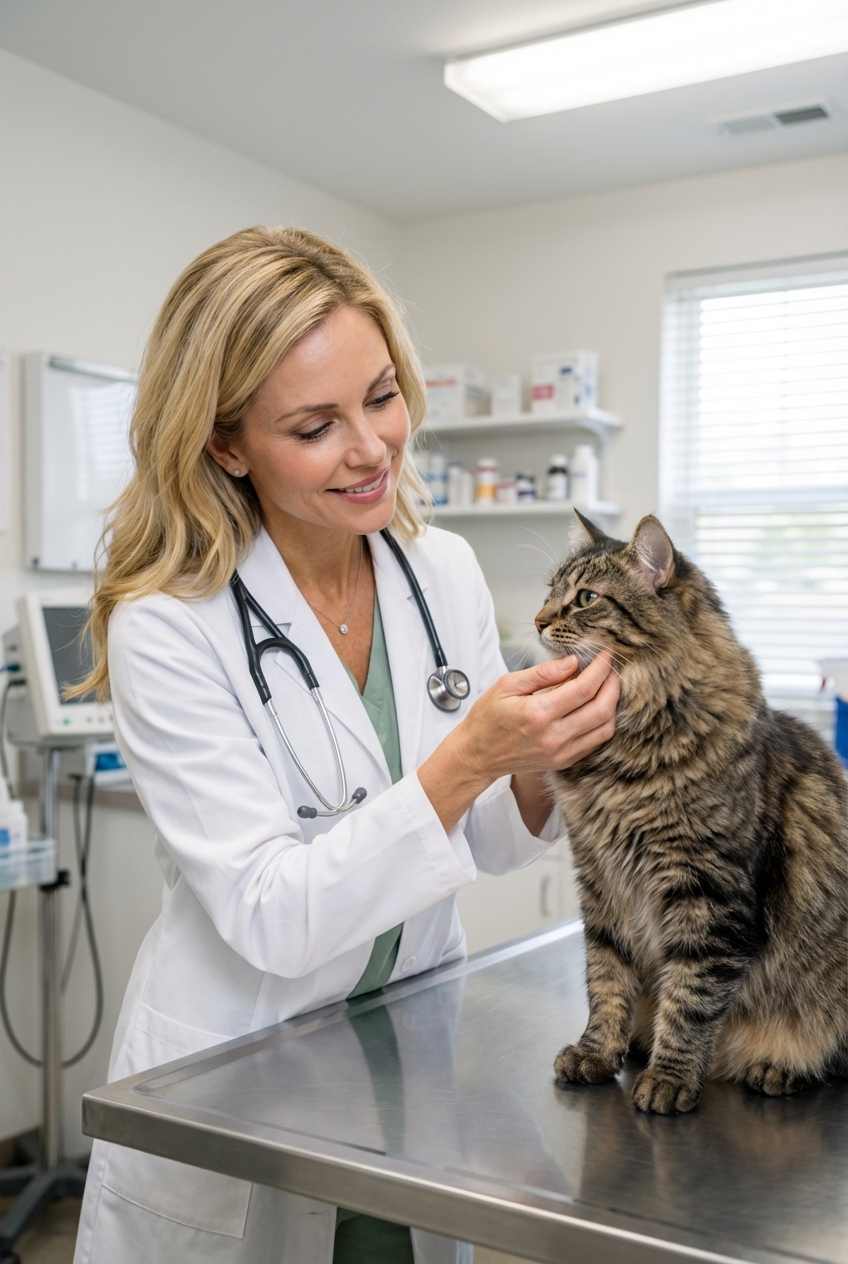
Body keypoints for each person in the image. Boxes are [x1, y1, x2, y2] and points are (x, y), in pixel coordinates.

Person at [72, 226, 619, 1264]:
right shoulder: (170, 623)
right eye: (315, 425)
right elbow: (272, 914)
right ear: (226, 444)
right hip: (241, 1074)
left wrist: (551, 746)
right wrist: (467, 757)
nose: (371, 447)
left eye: (380, 395)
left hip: (411, 1055)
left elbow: (494, 838)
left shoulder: (438, 566)